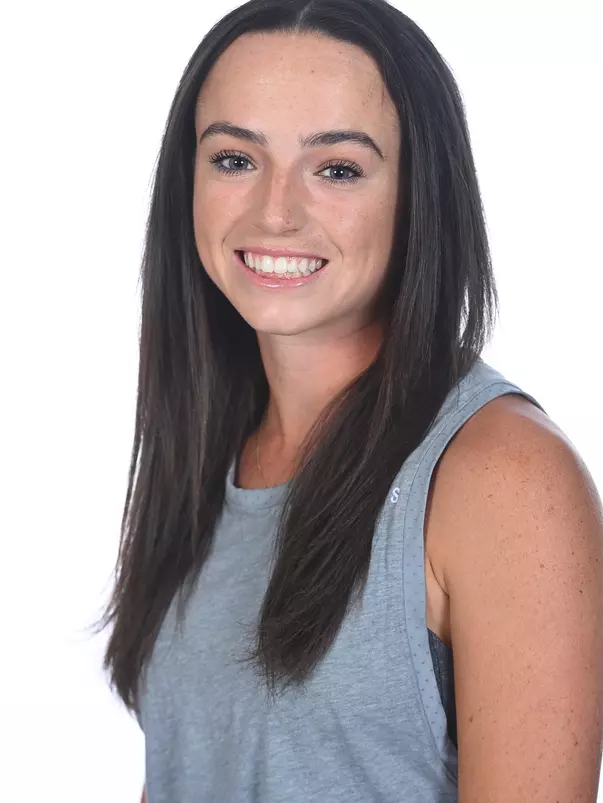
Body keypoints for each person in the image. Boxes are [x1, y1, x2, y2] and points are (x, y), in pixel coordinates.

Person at [99, 0, 603, 800]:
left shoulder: (500, 477)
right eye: (234, 158)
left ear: (418, 195)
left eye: (336, 168)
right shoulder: (208, 445)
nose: (274, 211)